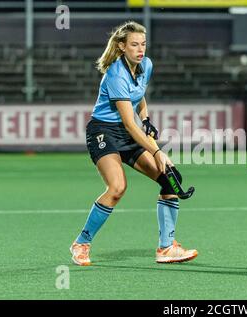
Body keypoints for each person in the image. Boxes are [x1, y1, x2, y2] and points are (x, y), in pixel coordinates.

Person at [70, 21, 198, 266]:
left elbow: (139, 95)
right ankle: (81, 243)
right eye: (134, 45)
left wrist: (146, 117)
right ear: (122, 47)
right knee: (117, 187)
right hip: (104, 131)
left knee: (170, 178)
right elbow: (129, 125)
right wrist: (157, 151)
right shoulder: (115, 74)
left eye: (143, 44)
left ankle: (166, 248)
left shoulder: (145, 65)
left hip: (128, 131)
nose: (141, 50)